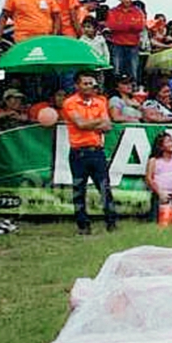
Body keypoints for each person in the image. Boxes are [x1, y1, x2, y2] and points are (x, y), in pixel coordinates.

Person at [62, 71, 116, 235]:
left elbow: (108, 126)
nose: (89, 87)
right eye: (85, 83)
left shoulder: (101, 101)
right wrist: (99, 122)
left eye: (91, 83)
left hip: (97, 151)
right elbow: (81, 124)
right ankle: (83, 225)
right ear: (77, 85)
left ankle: (111, 222)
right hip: (79, 152)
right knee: (79, 190)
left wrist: (94, 124)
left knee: (105, 187)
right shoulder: (70, 102)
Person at [105, 0, 146, 81]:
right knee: (117, 71)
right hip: (117, 45)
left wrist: (122, 25)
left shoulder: (137, 11)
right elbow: (112, 25)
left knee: (133, 71)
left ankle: (133, 91)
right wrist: (130, 25)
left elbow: (140, 26)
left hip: (133, 45)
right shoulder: (113, 11)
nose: (127, 0)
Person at [144, 132, 172, 222]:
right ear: (161, 146)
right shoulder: (154, 160)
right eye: (168, 142)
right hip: (160, 195)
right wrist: (160, 192)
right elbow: (149, 178)